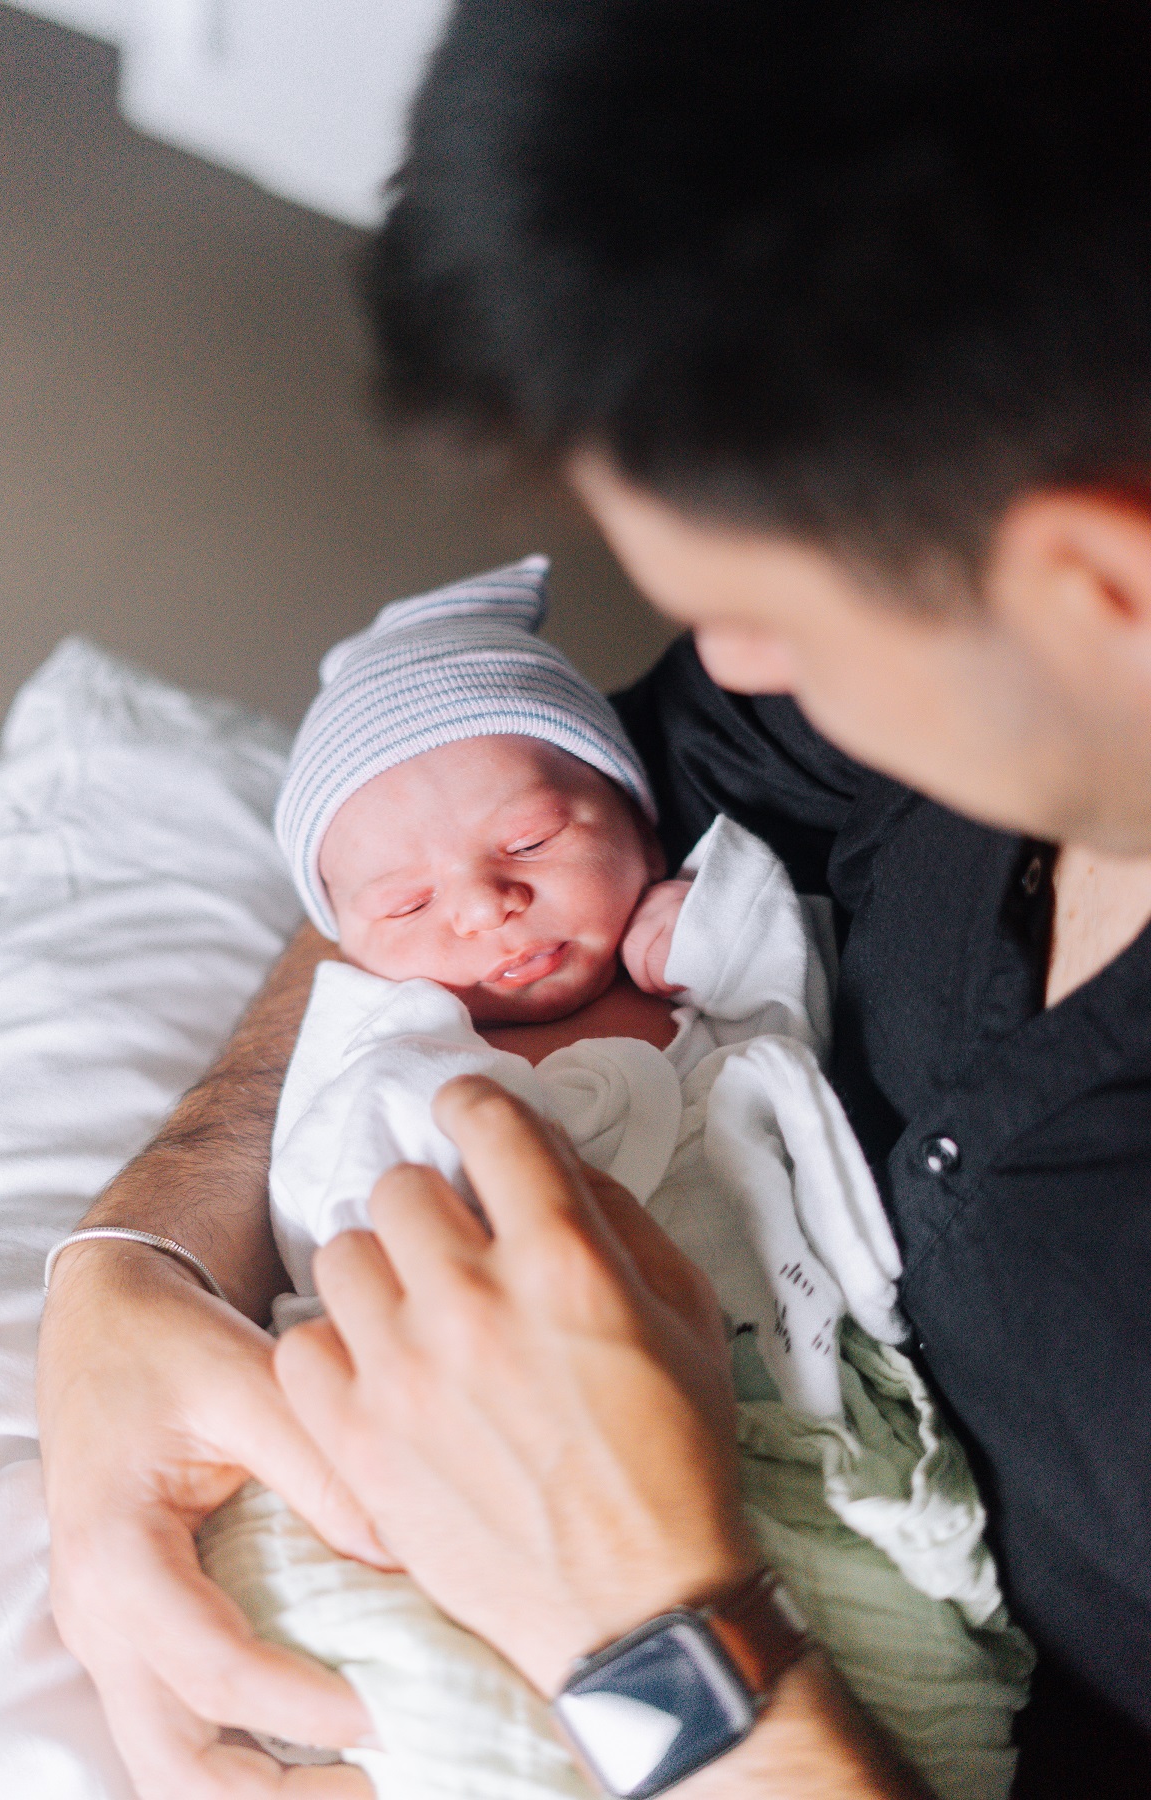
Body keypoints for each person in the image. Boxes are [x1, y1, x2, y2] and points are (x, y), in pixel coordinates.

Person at [36, 2, 1151, 1795]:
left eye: (776, 610)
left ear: (1101, 585)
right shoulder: (925, 669)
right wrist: (142, 1250)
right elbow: (500, 811)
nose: (730, 665)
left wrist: (650, 1618)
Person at [197, 554, 1030, 1799]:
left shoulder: (715, 970)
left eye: (530, 838)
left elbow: (782, 971)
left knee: (931, 1705)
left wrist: (704, 923)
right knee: (315, 1615)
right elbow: (328, 1190)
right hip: (445, 1425)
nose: (484, 905)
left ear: (642, 814)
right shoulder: (397, 1047)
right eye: (406, 900)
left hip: (788, 1426)